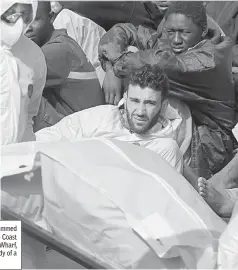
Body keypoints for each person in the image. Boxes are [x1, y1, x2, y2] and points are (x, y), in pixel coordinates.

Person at [98, 1, 236, 179]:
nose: (177, 40)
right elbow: (123, 31)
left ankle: (134, 154)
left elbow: (160, 65)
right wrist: (110, 69)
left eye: (185, 33)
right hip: (181, 133)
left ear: (203, 31)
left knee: (159, 91)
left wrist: (116, 64)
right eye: (171, 32)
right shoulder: (172, 40)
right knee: (132, 56)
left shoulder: (209, 60)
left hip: (207, 148)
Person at [36, 64, 184, 173]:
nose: (140, 111)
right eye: (134, 100)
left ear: (163, 106)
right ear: (125, 98)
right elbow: (56, 134)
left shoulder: (164, 149)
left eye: (150, 103)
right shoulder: (104, 116)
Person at [25, 1, 105, 131]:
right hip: (78, 126)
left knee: (18, 89)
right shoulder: (60, 41)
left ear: (51, 17)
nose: (26, 28)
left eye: (34, 20)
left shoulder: (57, 51)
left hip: (78, 135)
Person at [0, 0, 39, 144]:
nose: (19, 23)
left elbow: (30, 114)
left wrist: (27, 152)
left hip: (16, 157)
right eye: (12, 15)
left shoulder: (34, 56)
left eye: (25, 16)